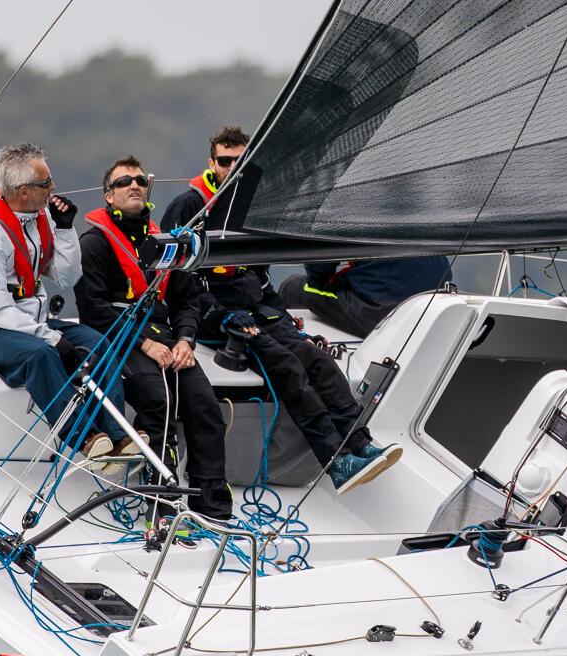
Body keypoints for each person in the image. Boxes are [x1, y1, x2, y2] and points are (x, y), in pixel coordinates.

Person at [161, 127, 401, 490]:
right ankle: (336, 462)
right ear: (212, 164)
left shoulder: (252, 208)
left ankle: (360, 442)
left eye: (240, 161)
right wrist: (221, 315)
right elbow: (177, 281)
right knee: (287, 367)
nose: (232, 168)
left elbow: (260, 275)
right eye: (225, 161)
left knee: (318, 361)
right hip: (217, 314)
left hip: (255, 307)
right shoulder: (189, 206)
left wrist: (280, 312)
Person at [75, 156, 233, 520]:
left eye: (139, 181)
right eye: (123, 182)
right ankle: (163, 508)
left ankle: (212, 508)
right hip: (121, 339)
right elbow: (93, 310)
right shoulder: (93, 244)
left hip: (168, 339)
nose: (133, 185)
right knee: (158, 403)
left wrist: (186, 340)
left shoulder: (164, 242)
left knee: (206, 407)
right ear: (109, 196)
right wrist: (144, 343)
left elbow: (187, 300)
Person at [0, 142, 126, 461]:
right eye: (46, 183)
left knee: (99, 343)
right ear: (23, 191)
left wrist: (66, 229)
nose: (53, 188)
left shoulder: (39, 219)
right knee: (41, 354)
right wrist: (53, 338)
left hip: (29, 319)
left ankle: (118, 435)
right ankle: (85, 438)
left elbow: (67, 277)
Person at [280, 255, 451, 337]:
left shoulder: (351, 207)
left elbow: (320, 269)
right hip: (433, 306)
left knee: (292, 286)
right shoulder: (426, 204)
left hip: (378, 312)